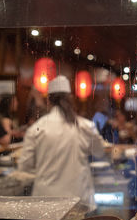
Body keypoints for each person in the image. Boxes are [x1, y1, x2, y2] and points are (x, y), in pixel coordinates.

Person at [18, 75, 106, 210]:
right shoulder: (85, 126)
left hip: (45, 202)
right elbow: (100, 152)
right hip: (79, 200)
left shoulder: (37, 128)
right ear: (70, 99)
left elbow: (25, 166)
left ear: (48, 101)